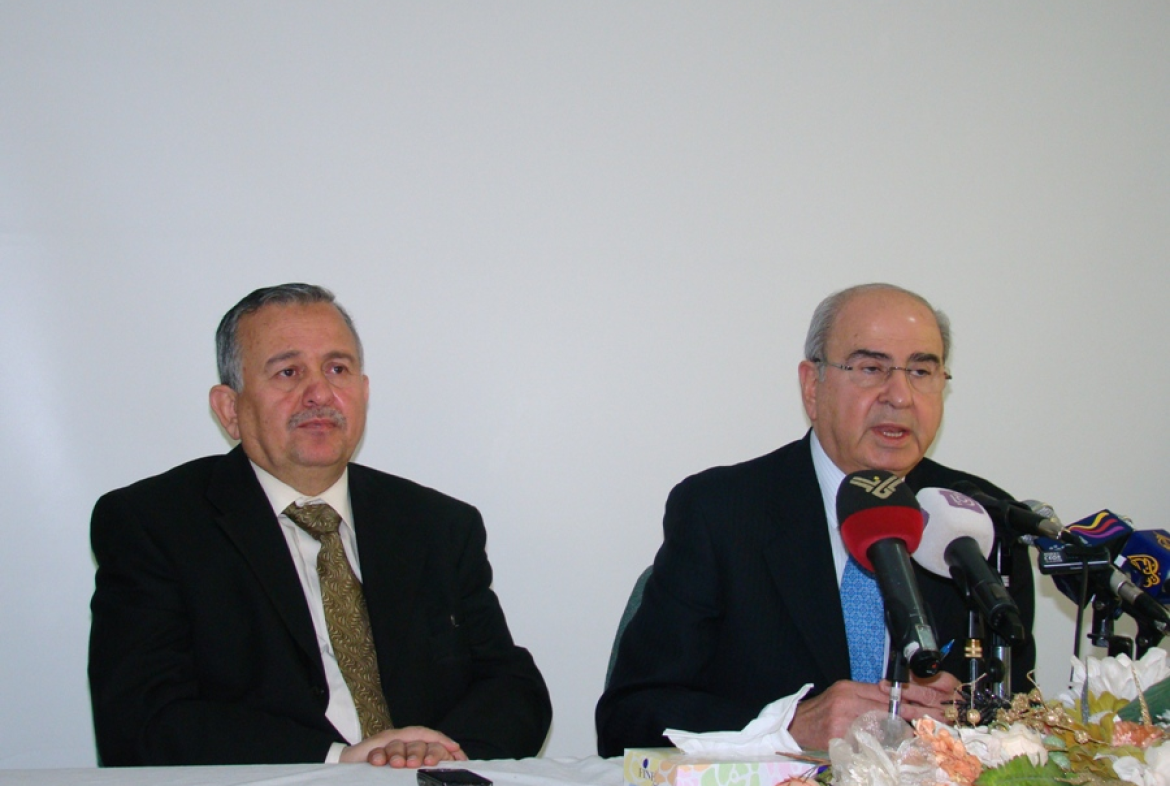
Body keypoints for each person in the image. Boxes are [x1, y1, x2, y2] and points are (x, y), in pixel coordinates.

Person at [89, 284, 551, 767]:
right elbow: (142, 720)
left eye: (337, 369)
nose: (320, 394)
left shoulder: (438, 525)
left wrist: (439, 755)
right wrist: (337, 762)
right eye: (288, 372)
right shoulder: (154, 525)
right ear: (229, 409)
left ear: (364, 393)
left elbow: (511, 686)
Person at [596, 283, 1035, 756]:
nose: (900, 396)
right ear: (812, 386)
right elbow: (629, 719)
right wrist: (785, 727)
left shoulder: (980, 521)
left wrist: (968, 719)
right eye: (871, 369)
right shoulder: (722, 512)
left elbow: (1018, 713)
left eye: (921, 371)